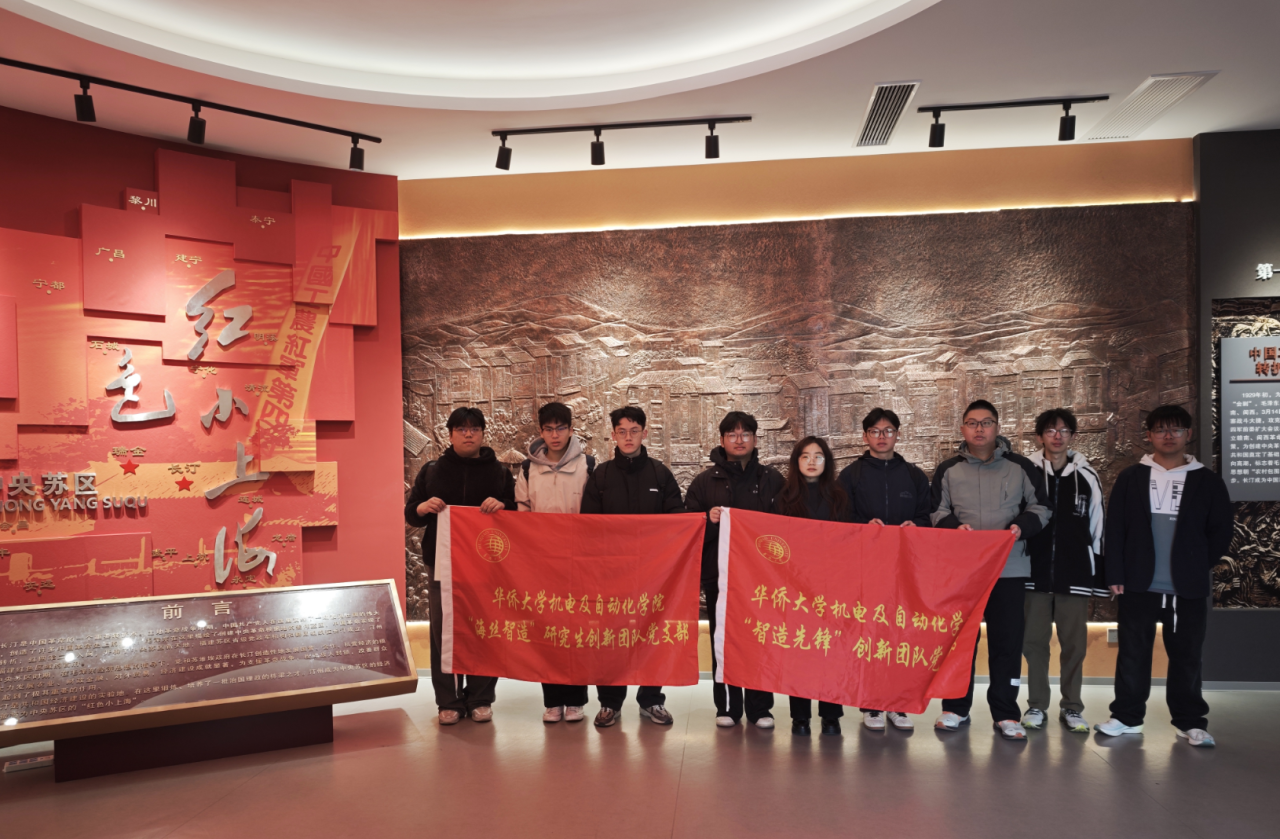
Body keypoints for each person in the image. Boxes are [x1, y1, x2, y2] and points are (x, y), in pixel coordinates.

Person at [1095, 405, 1233, 747]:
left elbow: (1221, 531)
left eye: (1176, 429)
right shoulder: (1132, 477)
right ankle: (1126, 717)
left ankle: (1190, 722)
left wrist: (1196, 564)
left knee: (1187, 656)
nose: (1168, 436)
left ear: (1188, 434)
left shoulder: (1207, 481)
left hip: (1186, 587)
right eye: (1160, 430)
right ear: (1149, 435)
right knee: (1132, 653)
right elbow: (1115, 529)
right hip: (1138, 583)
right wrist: (1115, 573)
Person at [930, 400, 1051, 740]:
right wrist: (955, 527)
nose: (979, 429)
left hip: (1009, 568)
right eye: (972, 423)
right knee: (960, 642)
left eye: (986, 422)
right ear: (963, 429)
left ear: (997, 427)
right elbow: (935, 511)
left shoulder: (1020, 467)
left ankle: (1006, 712)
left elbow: (1042, 507)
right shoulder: (948, 470)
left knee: (1007, 642)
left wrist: (1021, 526)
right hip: (962, 572)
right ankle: (955, 708)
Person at [404, 406, 516, 726]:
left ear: (482, 434)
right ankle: (449, 701)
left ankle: (480, 698)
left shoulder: (499, 473)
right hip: (442, 564)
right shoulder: (432, 471)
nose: (468, 434)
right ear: (450, 434)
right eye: (461, 429)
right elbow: (412, 513)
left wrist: (503, 506)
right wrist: (423, 507)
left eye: (474, 429)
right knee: (444, 632)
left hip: (487, 566)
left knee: (484, 630)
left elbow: (516, 515)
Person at [579, 405, 685, 728]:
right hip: (611, 575)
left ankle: (651, 699)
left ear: (644, 433)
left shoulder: (660, 474)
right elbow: (588, 526)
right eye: (622, 431)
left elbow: (677, 522)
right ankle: (609, 703)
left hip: (655, 575)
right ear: (613, 435)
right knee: (611, 639)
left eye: (634, 431)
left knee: (653, 635)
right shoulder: (601, 476)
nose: (628, 437)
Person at [685, 411, 785, 729]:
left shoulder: (772, 480)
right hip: (720, 576)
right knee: (722, 641)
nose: (739, 440)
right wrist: (707, 519)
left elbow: (786, 527)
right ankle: (727, 707)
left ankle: (760, 708)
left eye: (745, 434)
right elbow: (687, 528)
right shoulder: (705, 482)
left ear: (755, 439)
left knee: (760, 640)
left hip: (762, 579)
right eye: (732, 434)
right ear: (722, 440)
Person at [838, 407, 932, 732]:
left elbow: (927, 516)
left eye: (888, 430)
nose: (882, 436)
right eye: (875, 431)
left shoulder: (914, 475)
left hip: (905, 570)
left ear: (898, 434)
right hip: (865, 569)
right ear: (865, 436)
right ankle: (871, 704)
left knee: (902, 636)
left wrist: (916, 526)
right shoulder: (851, 475)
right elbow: (840, 518)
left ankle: (898, 704)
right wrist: (863, 526)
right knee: (870, 636)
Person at [1022, 408, 1107, 734]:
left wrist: (1099, 574)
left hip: (1075, 573)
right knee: (1034, 644)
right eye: (1050, 430)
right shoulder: (1026, 473)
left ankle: (1072, 707)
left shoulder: (1087, 476)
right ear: (1040, 436)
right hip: (1034, 571)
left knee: (1074, 645)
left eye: (1064, 431)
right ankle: (1036, 705)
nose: (1057, 436)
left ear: (1072, 435)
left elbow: (1098, 526)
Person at [515, 402, 597, 725]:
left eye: (561, 428)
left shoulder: (588, 465)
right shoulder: (527, 468)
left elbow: (595, 511)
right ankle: (552, 701)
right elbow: (522, 511)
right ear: (540, 432)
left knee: (576, 631)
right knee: (546, 631)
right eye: (548, 429)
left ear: (571, 430)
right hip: (542, 562)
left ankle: (575, 700)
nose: (555, 434)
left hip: (579, 562)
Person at [773, 436, 850, 736]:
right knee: (801, 650)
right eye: (805, 456)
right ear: (796, 462)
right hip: (796, 588)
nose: (812, 462)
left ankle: (831, 715)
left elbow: (850, 540)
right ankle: (800, 716)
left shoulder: (840, 497)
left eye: (818, 456)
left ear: (827, 462)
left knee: (831, 651)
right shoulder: (784, 498)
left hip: (833, 586)